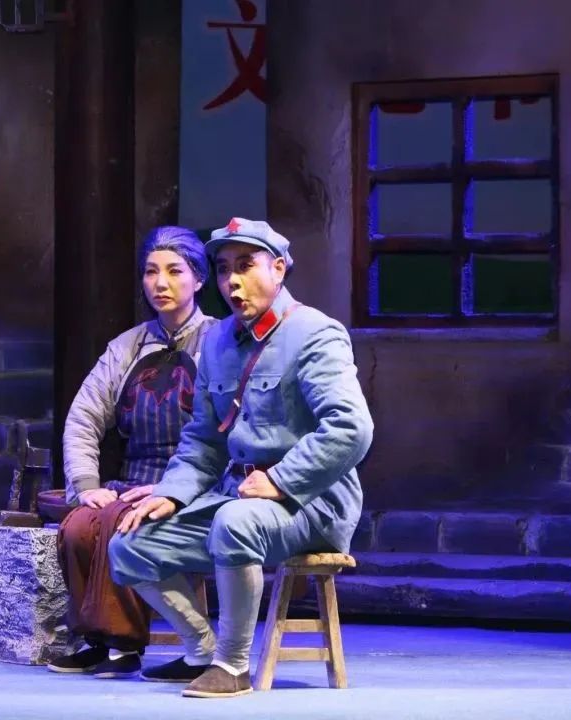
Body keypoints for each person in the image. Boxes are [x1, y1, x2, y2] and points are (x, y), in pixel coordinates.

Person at [108, 217, 374, 698]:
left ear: (278, 269)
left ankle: (233, 666)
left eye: (246, 265)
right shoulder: (217, 342)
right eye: (224, 268)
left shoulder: (314, 333)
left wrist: (281, 480)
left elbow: (351, 427)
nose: (232, 280)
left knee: (234, 522)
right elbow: (203, 438)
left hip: (312, 503)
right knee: (131, 542)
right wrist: (172, 494)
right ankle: (201, 651)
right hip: (240, 498)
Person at [47, 226, 218, 679]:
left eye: (174, 271)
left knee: (118, 521)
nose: (160, 283)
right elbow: (83, 418)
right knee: (79, 525)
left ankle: (122, 644)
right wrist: (87, 486)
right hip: (133, 478)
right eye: (150, 272)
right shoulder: (127, 347)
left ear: (199, 278)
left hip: (190, 483)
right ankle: (94, 639)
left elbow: (228, 428)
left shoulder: (220, 342)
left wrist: (173, 488)